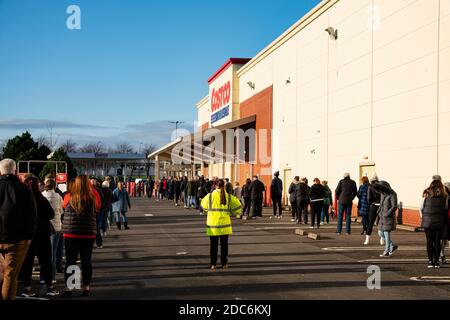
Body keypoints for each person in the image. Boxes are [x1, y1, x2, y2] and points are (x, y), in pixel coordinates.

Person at [0, 159, 37, 300]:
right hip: (17, 239)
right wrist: (29, 237)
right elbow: (32, 215)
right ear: (15, 171)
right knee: (10, 275)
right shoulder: (23, 189)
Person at [62, 175, 100, 297]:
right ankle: (86, 288)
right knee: (86, 261)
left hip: (71, 233)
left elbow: (63, 207)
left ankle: (69, 288)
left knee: (71, 261)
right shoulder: (94, 195)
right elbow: (98, 208)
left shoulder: (69, 195)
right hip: (88, 234)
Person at [21, 175, 58, 297]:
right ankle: (49, 287)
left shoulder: (22, 199)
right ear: (38, 185)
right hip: (42, 234)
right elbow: (51, 214)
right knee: (46, 262)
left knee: (28, 262)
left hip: (27, 236)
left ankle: (27, 288)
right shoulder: (41, 198)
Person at [201, 179, 242, 270]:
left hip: (213, 225)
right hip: (225, 225)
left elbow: (203, 205)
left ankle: (213, 264)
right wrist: (233, 212)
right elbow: (239, 206)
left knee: (213, 246)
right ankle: (224, 263)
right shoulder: (229, 197)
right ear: (224, 186)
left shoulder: (210, 196)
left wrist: (208, 211)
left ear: (215, 186)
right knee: (224, 246)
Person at [420, 178, 448, 268]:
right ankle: (436, 262)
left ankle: (430, 261)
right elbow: (446, 208)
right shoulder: (444, 195)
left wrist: (424, 216)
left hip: (427, 221)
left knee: (429, 241)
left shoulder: (426, 193)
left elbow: (421, 207)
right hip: (439, 220)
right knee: (437, 241)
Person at [42, 179, 63, 284]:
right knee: (53, 253)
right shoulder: (58, 197)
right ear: (54, 186)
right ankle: (52, 277)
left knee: (43, 254)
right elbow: (61, 210)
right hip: (56, 226)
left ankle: (43, 278)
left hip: (44, 227)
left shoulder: (42, 195)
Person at [374, 181, 398, 257]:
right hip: (382, 216)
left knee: (386, 235)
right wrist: (378, 213)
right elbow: (381, 204)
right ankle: (392, 245)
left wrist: (387, 214)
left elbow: (394, 206)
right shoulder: (382, 194)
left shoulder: (393, 194)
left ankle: (386, 251)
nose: (381, 191)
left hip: (388, 217)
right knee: (380, 233)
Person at [364, 173, 382, 245]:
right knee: (381, 223)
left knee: (370, 223)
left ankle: (367, 239)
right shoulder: (381, 186)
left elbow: (368, 198)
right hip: (381, 206)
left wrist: (371, 203)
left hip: (374, 205)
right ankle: (382, 239)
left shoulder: (370, 187)